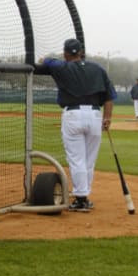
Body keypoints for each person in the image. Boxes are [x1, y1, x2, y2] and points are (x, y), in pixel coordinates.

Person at [35, 38, 116, 212]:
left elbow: (47, 61)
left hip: (73, 114)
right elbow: (109, 97)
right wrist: (107, 118)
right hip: (95, 115)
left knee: (77, 159)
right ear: (80, 52)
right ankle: (83, 195)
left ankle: (81, 199)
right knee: (88, 160)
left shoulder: (62, 66)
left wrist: (44, 60)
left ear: (65, 53)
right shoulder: (98, 68)